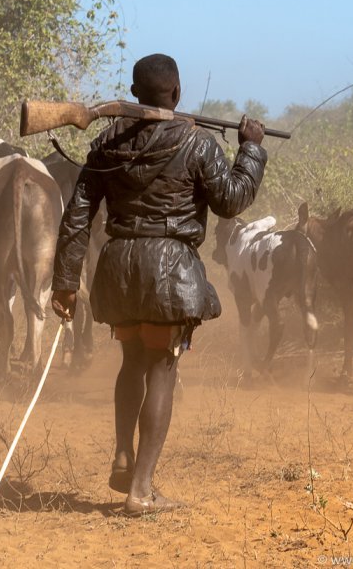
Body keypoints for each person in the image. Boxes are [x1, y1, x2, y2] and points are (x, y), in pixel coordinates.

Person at [51, 54, 266, 515]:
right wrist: (250, 149)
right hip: (169, 271)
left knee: (131, 361)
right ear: (177, 92)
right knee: (162, 370)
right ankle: (141, 490)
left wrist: (66, 281)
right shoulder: (198, 143)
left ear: (134, 93)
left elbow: (78, 216)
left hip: (118, 267)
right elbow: (231, 201)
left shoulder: (108, 142)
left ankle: (125, 456)